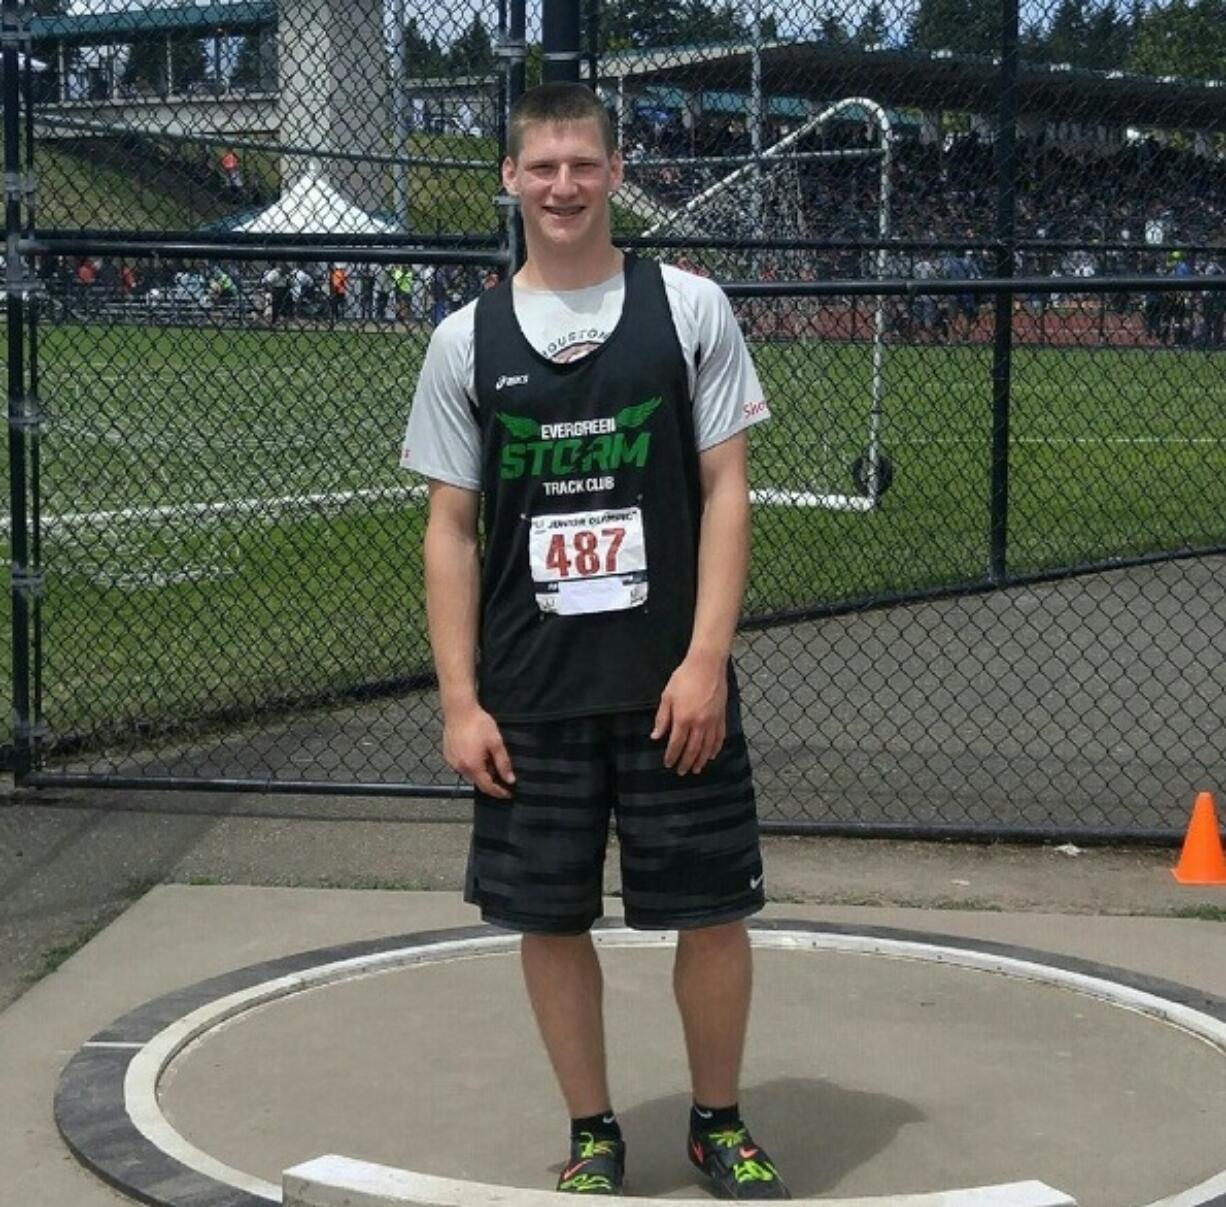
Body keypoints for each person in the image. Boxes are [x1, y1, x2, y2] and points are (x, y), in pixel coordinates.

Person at [400, 82, 788, 1200]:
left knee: (711, 910)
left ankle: (715, 1121)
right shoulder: (463, 340)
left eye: (582, 164)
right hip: (531, 690)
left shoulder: (690, 309)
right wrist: (461, 701)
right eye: (541, 167)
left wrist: (706, 657)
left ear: (616, 174)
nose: (562, 185)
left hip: (671, 684)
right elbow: (449, 528)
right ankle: (591, 1130)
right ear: (509, 182)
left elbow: (724, 492)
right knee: (548, 915)